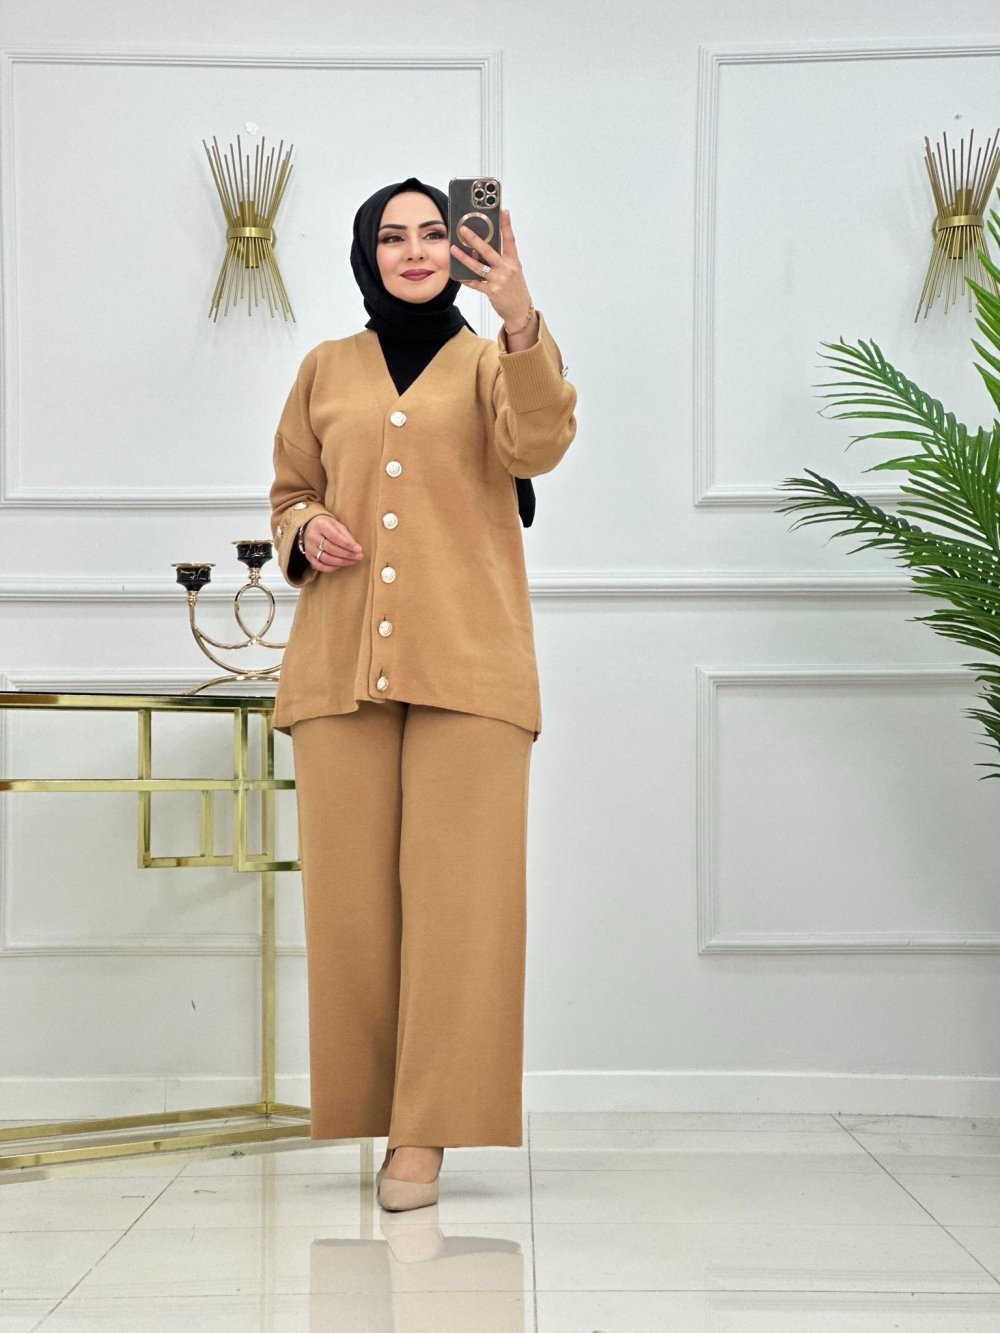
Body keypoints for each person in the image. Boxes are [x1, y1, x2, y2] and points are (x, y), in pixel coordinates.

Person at [268, 176, 577, 1211]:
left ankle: (426, 1133)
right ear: (368, 253)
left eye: (433, 232)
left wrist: (519, 314)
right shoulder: (326, 367)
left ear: (461, 248)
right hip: (339, 664)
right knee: (352, 910)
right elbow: (291, 488)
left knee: (462, 909)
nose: (413, 250)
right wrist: (304, 529)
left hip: (471, 666)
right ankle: (372, 1107)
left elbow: (539, 444)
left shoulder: (495, 361)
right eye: (392, 235)